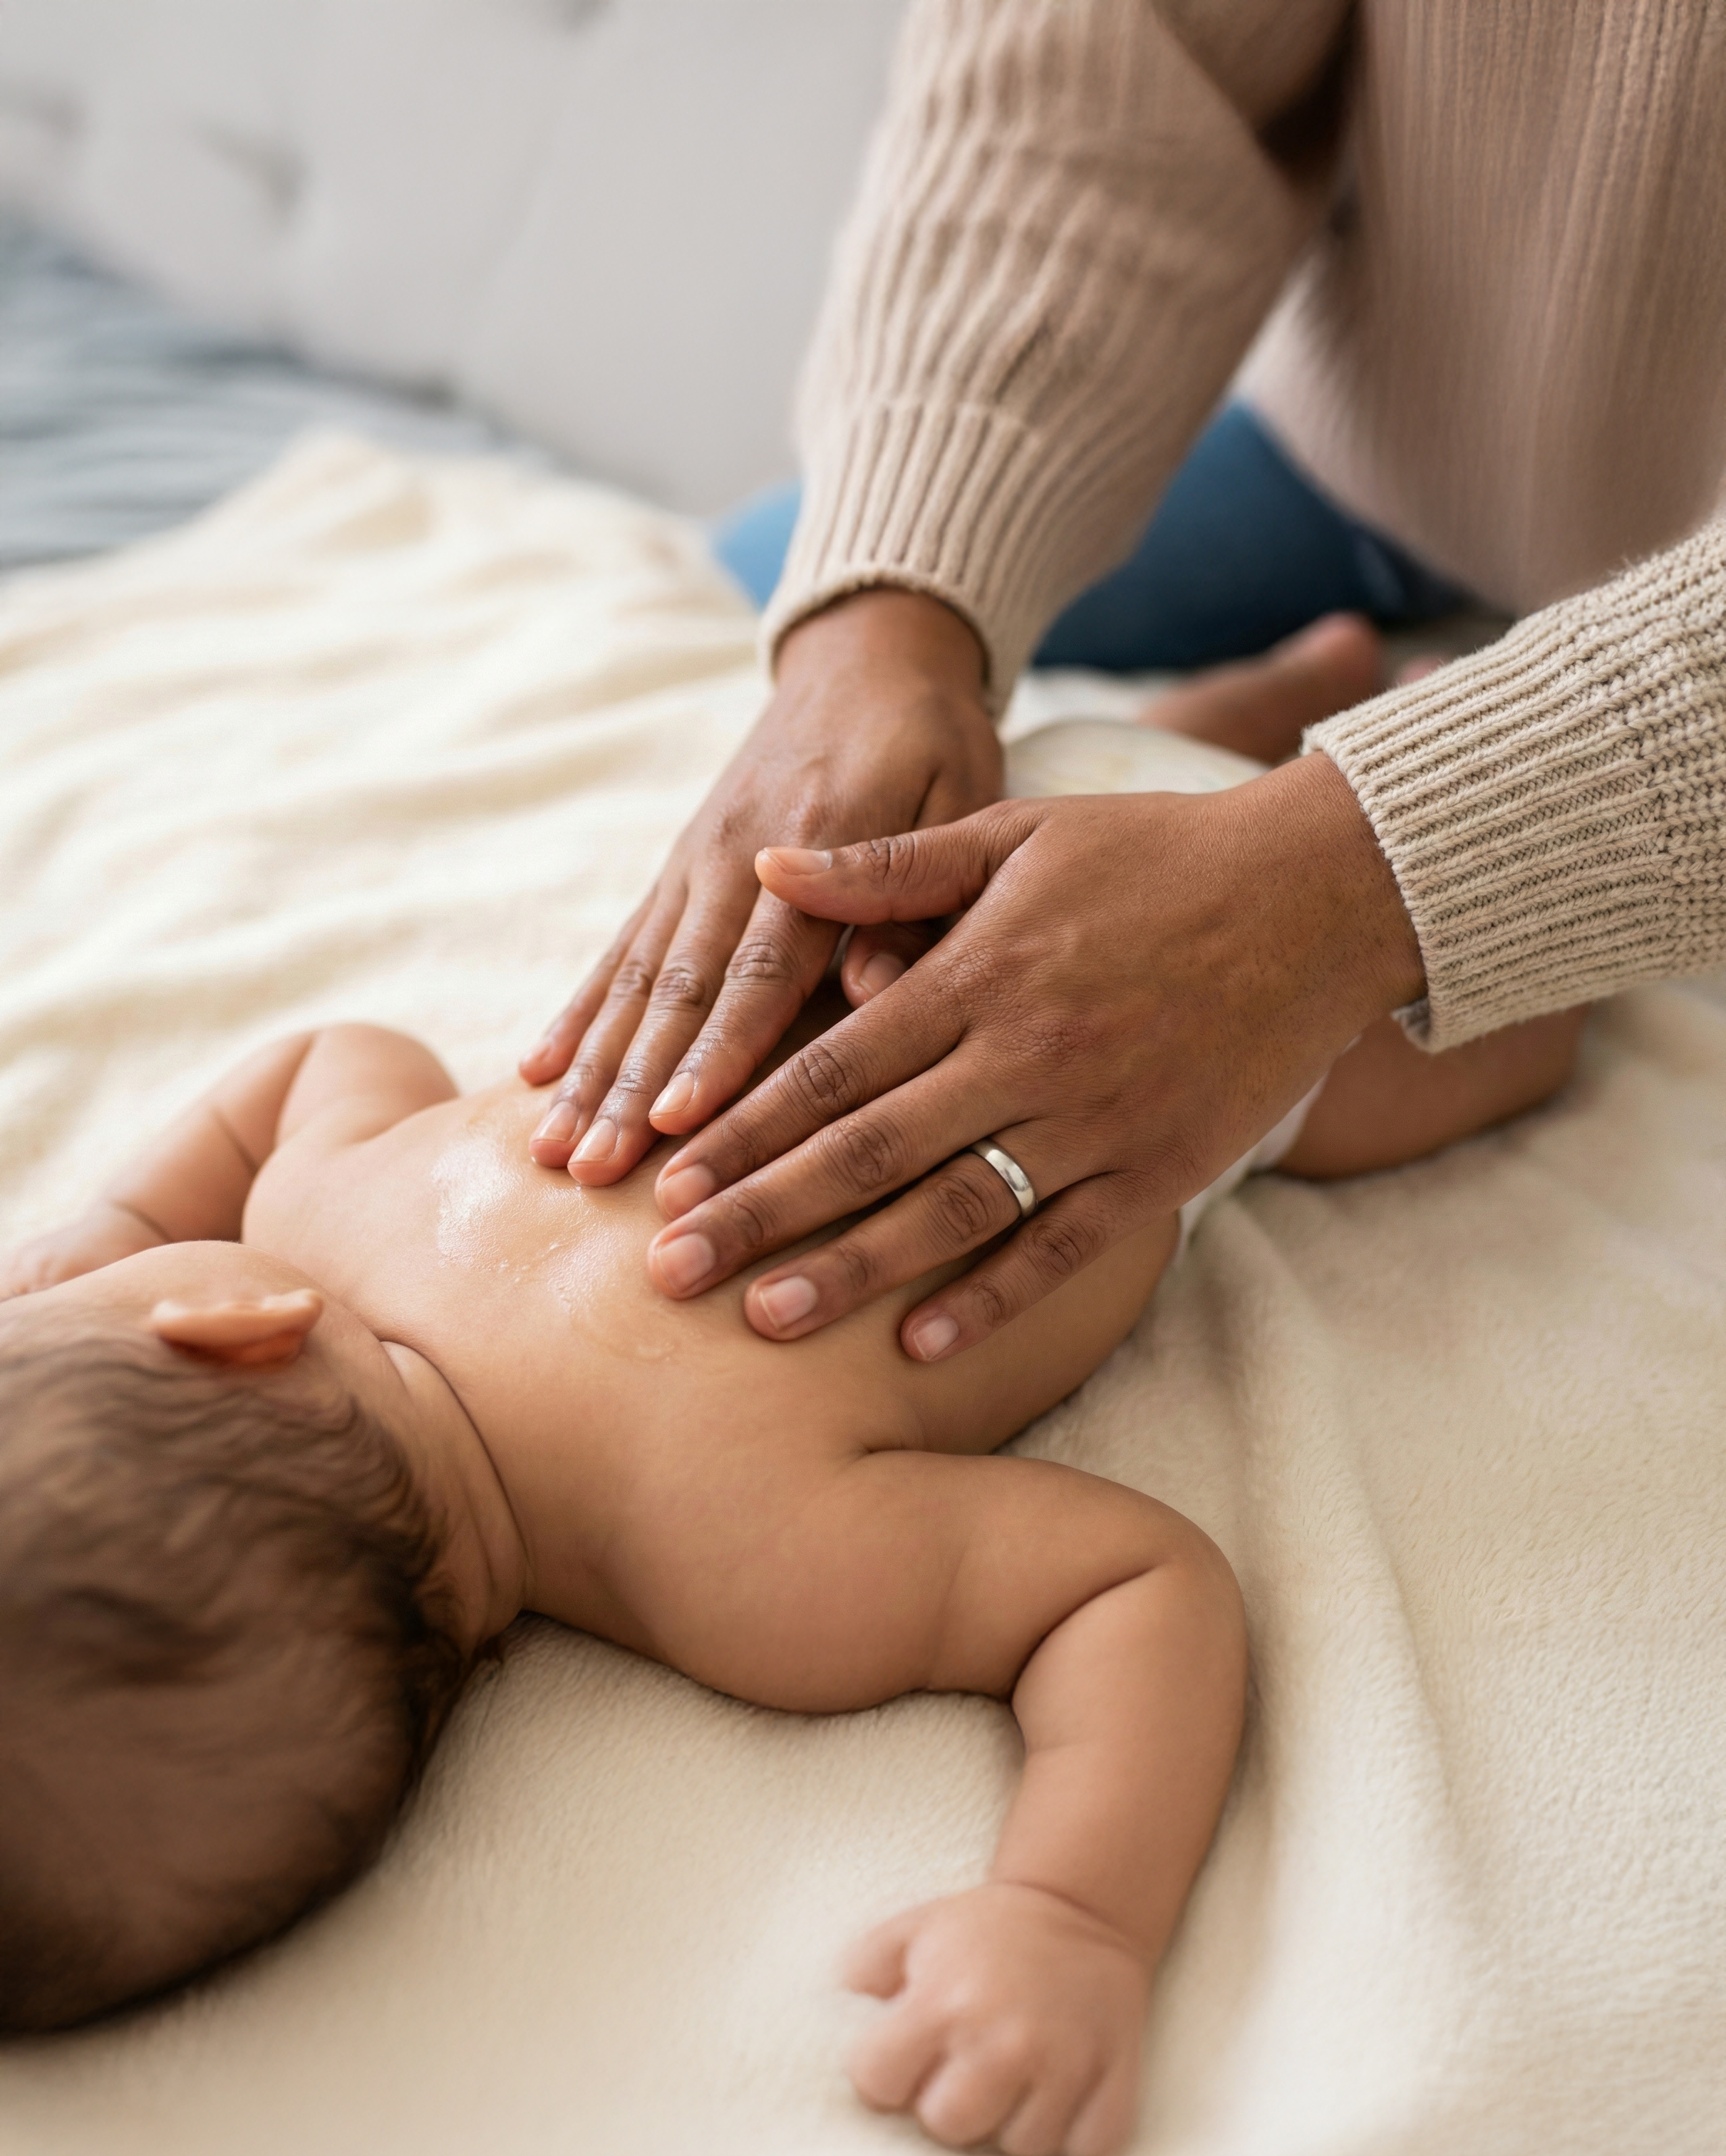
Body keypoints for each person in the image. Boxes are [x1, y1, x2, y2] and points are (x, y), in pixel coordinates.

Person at [0, 693, 1580, 2155]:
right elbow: (330, 1059)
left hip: (1115, 966)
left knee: (1531, 1038)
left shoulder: (742, 1577)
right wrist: (133, 1206)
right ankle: (1270, 706)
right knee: (1209, 779)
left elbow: (1127, 1590)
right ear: (213, 1325)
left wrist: (1064, 1914)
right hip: (982, 845)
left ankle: (1292, 738)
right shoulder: (334, 1200)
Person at [520, 0, 1726, 1366]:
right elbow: (1123, 54)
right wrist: (880, 625)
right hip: (1401, 447)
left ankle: (1290, 738)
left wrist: (1383, 866)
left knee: (1503, 1028)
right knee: (755, 583)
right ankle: (1223, 733)